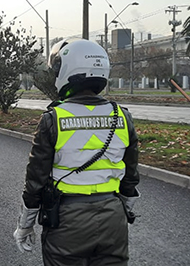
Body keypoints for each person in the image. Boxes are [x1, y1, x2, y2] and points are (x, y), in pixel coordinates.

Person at [13, 39, 140, 266]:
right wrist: (124, 211)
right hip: (113, 217)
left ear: (69, 71)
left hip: (67, 220)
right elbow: (130, 177)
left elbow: (35, 180)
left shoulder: (53, 119)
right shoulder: (122, 117)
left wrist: (25, 224)